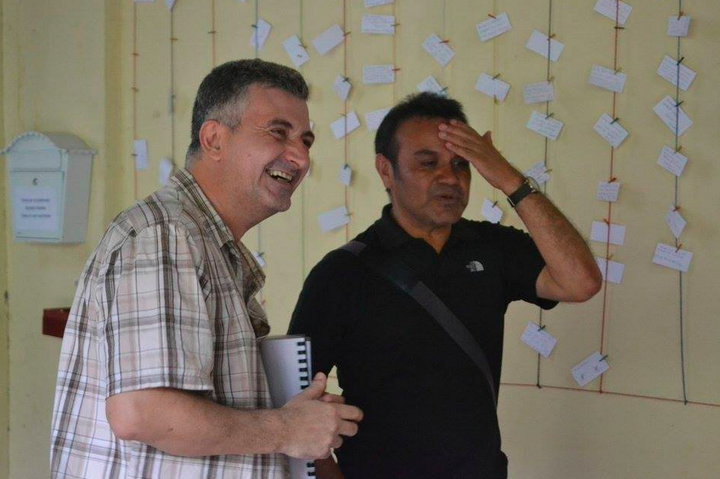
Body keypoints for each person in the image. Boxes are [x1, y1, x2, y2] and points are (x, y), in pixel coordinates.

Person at [50, 59, 363, 479]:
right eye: (278, 132)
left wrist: (296, 420)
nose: (301, 157)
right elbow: (142, 413)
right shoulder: (166, 234)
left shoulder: (205, 243)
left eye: (306, 140)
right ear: (214, 138)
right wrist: (286, 428)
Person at [288, 92, 602, 479]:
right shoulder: (341, 274)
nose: (450, 178)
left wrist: (509, 179)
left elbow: (581, 282)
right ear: (386, 171)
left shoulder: (492, 248)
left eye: (461, 164)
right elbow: (294, 403)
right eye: (427, 164)